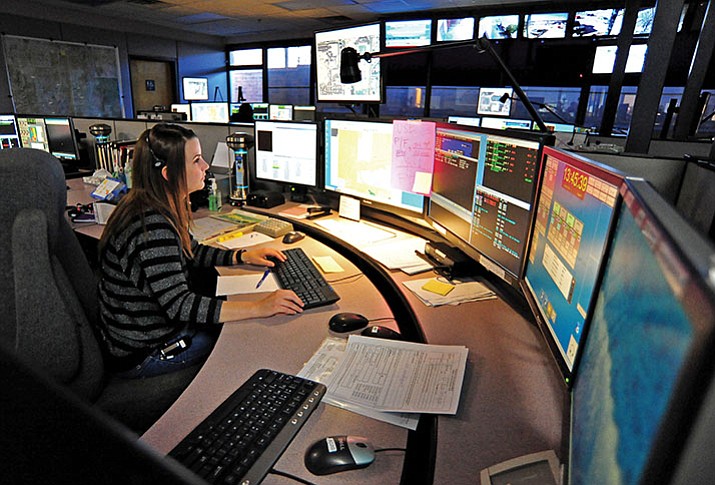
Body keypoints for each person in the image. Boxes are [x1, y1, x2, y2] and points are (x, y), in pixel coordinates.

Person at [97, 123, 303, 378]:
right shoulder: (151, 226)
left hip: (141, 336)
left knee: (240, 326)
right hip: (146, 352)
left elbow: (190, 250)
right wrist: (260, 306)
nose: (205, 166)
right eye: (196, 161)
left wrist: (241, 256)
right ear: (168, 174)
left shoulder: (152, 204)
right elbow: (179, 305)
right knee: (247, 340)